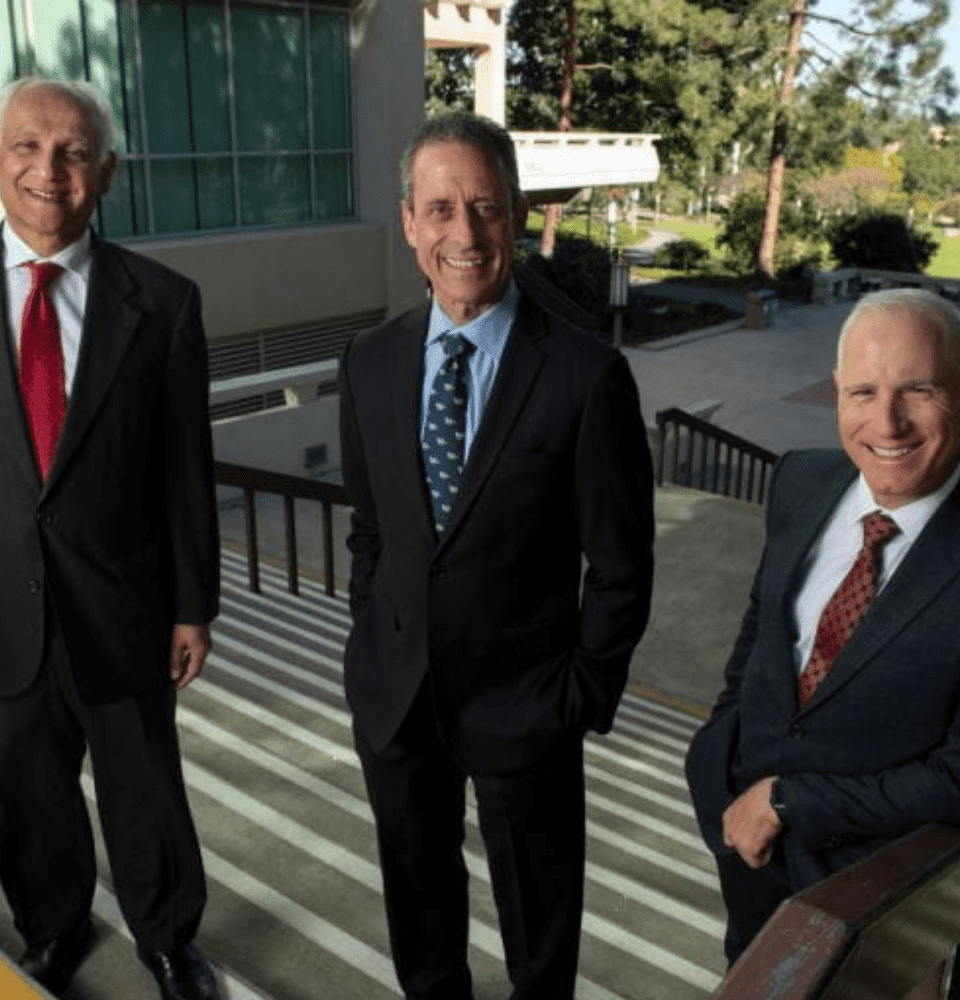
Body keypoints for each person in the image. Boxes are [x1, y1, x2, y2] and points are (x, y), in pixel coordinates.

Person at [339, 112, 654, 1000]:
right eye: (440, 209)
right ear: (409, 222)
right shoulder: (367, 362)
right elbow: (372, 530)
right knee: (418, 899)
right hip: (397, 694)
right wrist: (368, 652)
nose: (464, 234)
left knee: (539, 917)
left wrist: (582, 692)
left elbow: (623, 563)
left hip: (529, 704)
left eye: (484, 207)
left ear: (515, 214)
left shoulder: (587, 376)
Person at [686, 287, 960, 964]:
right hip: (742, 844)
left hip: (873, 897)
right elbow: (763, 633)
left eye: (917, 389)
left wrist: (789, 801)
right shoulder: (801, 481)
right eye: (862, 392)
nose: (887, 425)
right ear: (836, 392)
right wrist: (720, 750)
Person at [0, 77, 220, 1000]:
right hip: (5, 607)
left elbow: (185, 470)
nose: (49, 170)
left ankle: (168, 940)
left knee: (146, 796)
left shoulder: (162, 303)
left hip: (125, 607)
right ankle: (51, 925)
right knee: (26, 793)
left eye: (74, 152)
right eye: (26, 146)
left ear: (108, 173)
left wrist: (192, 606)